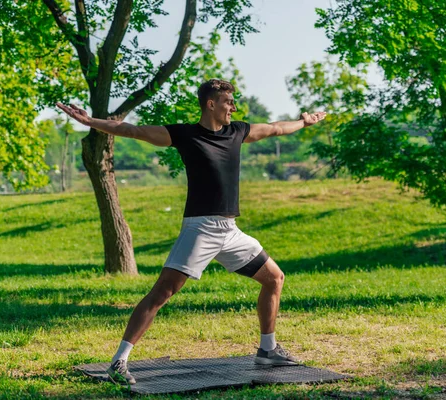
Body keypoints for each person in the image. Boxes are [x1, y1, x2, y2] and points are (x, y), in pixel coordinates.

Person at [56, 79, 326, 385]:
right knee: (162, 293)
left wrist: (303, 122)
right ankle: (119, 361)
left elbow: (275, 128)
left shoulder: (237, 131)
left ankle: (268, 349)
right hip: (201, 228)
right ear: (211, 104)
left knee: (274, 277)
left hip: (230, 230)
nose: (233, 108)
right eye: (228, 102)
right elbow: (133, 130)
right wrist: (89, 121)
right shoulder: (185, 135)